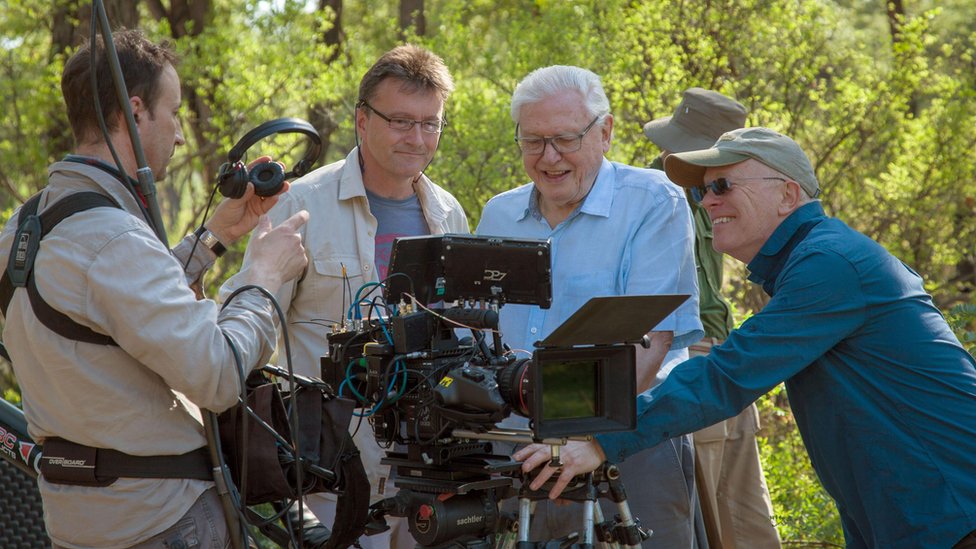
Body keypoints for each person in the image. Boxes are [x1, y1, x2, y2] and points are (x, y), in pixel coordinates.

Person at [516, 127, 976, 549]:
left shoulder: (831, 265)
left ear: (788, 195)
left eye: (722, 186)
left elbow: (727, 375)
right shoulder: (814, 262)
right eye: (700, 190)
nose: (706, 202)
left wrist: (600, 443)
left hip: (953, 508)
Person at [0, 29, 309, 548]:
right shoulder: (114, 237)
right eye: (174, 112)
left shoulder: (28, 225)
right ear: (133, 112)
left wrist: (214, 239)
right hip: (163, 524)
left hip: (84, 523)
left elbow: (101, 309)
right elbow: (217, 374)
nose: (181, 134)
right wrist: (264, 279)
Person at [221, 44, 468, 548]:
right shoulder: (302, 205)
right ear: (362, 119)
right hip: (329, 481)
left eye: (430, 123)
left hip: (428, 475)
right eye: (401, 121)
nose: (417, 138)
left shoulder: (449, 214)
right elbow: (246, 327)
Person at [476, 65, 704, 547]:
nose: (549, 157)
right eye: (533, 141)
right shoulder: (500, 213)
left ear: (605, 132)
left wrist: (591, 441)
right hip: (516, 443)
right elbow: (479, 334)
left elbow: (653, 338)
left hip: (628, 439)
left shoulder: (653, 201)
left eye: (564, 139)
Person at [644, 88, 781, 548]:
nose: (667, 155)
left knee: (745, 510)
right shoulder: (652, 193)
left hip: (725, 352)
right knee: (700, 508)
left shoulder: (715, 190)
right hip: (685, 355)